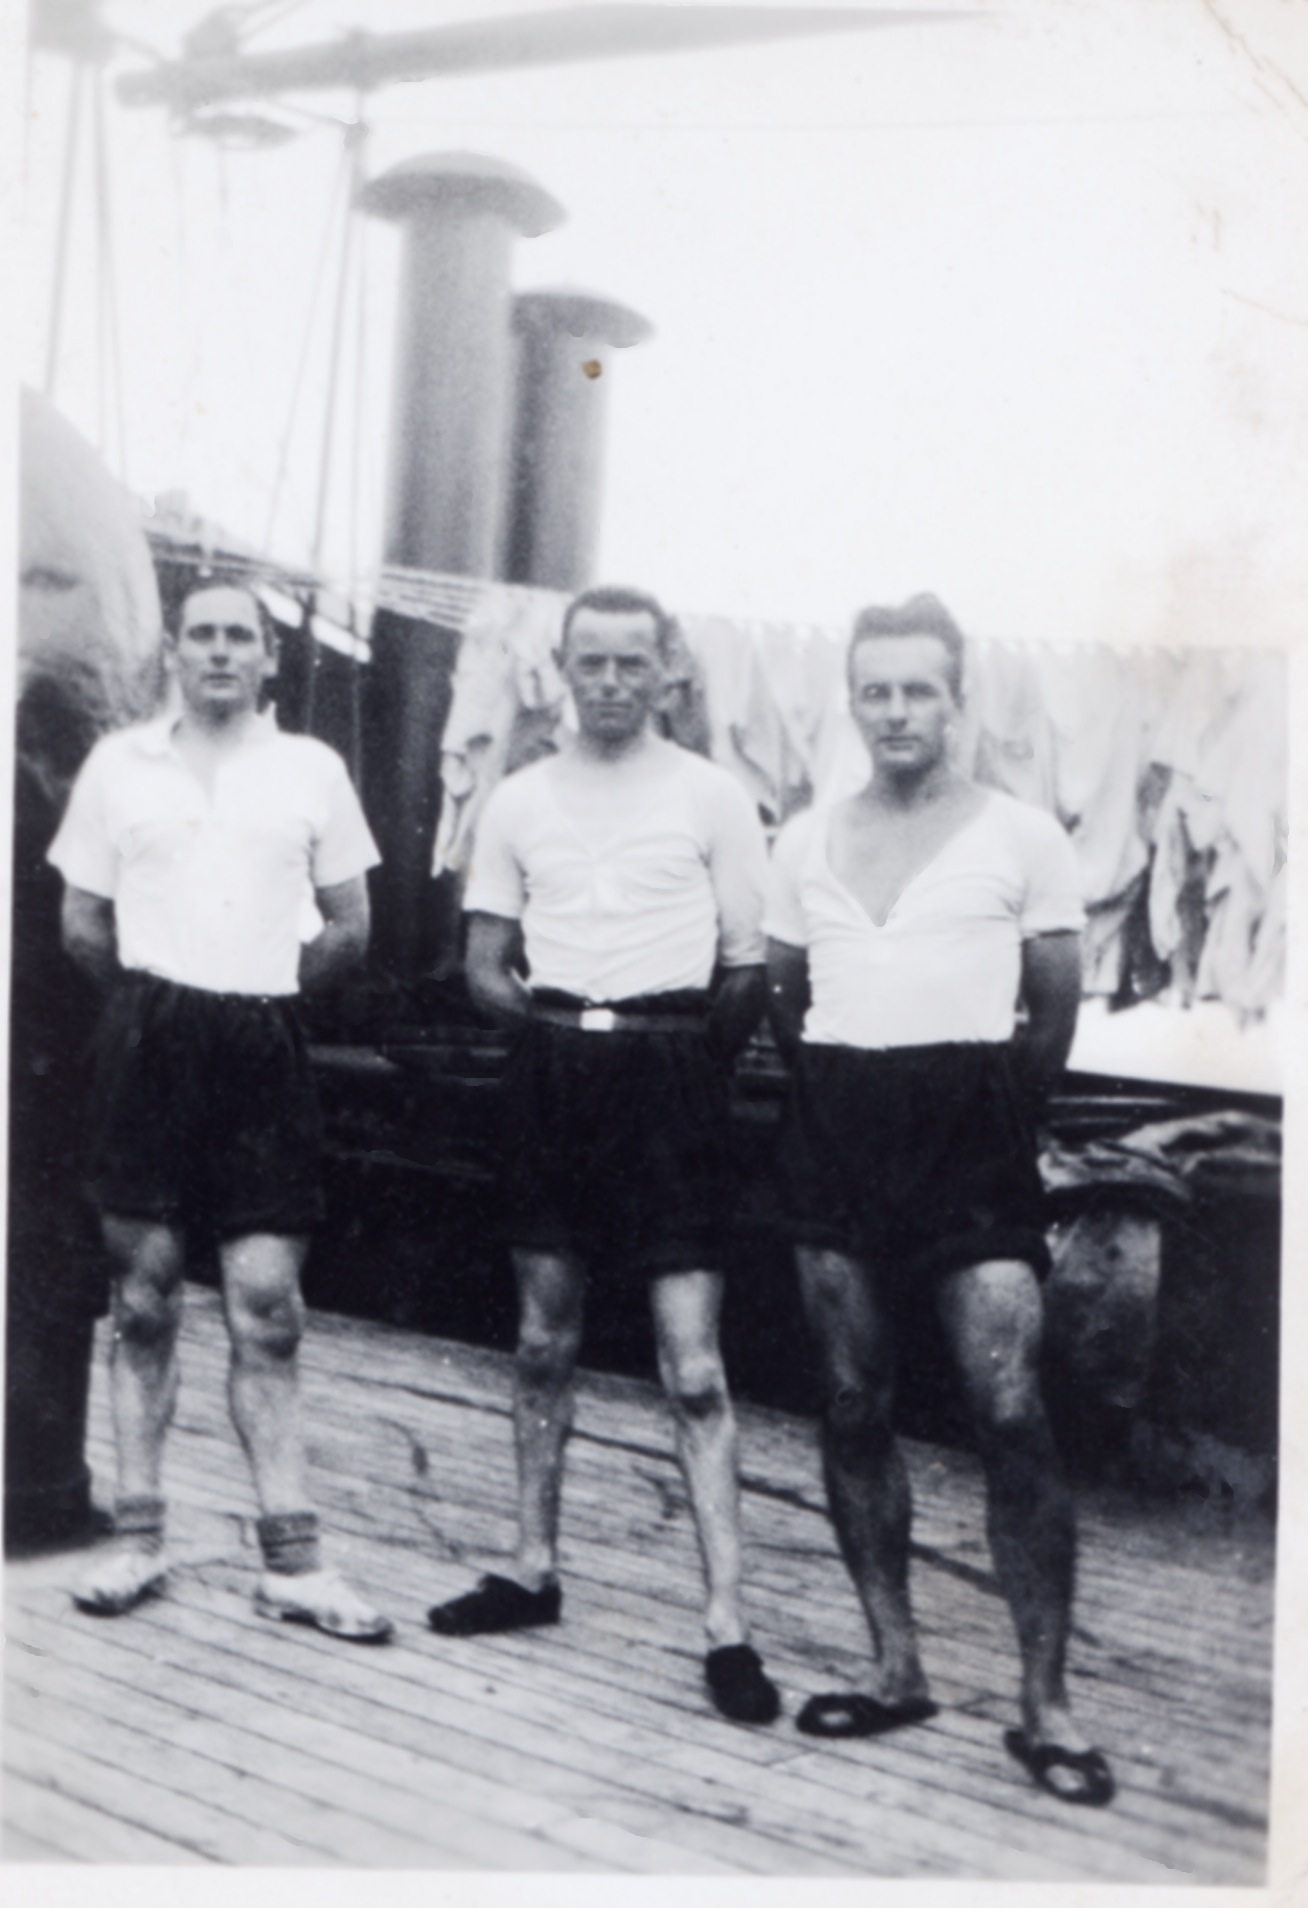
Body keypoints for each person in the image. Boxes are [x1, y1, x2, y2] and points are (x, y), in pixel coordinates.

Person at [764, 595, 1114, 1804]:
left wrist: (984, 1109)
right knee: (853, 1402)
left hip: (972, 1138)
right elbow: (788, 996)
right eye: (876, 690)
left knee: (1009, 1407)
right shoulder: (806, 840)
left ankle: (1046, 1705)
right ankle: (896, 1666)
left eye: (920, 690)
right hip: (834, 1133)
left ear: (958, 701)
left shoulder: (1023, 835)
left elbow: (1052, 1014)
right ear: (852, 702)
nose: (897, 711)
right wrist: (853, 1091)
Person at [427, 583, 780, 1725]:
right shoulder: (519, 798)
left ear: (669, 668)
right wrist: (558, 1040)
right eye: (594, 662)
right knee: (542, 1342)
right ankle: (532, 1569)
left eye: (634, 662)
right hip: (553, 1078)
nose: (614, 682)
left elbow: (745, 972)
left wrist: (670, 1055)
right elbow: (486, 964)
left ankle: (727, 1624)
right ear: (564, 669)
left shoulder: (714, 797)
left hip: (673, 1080)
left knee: (695, 1367)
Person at [48, 573, 393, 1642]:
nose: (219, 652)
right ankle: (138, 1538)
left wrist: (255, 992)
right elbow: (82, 924)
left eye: (240, 636)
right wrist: (158, 1007)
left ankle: (293, 1561)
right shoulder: (119, 765)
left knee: (268, 1307)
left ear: (269, 656)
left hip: (261, 1049)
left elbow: (349, 926)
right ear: (174, 650)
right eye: (201, 634)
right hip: (147, 1043)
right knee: (144, 1300)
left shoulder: (311, 769)